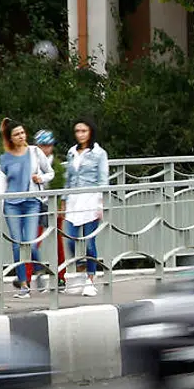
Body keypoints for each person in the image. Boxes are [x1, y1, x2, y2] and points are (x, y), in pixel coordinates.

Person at [0, 118, 53, 296]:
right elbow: (0, 185)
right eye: (16, 134)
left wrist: (41, 179)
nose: (21, 136)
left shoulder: (35, 152)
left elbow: (50, 172)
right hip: (12, 205)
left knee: (31, 244)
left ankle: (39, 270)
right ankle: (24, 286)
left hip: (32, 203)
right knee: (17, 245)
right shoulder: (5, 159)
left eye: (22, 132)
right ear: (10, 138)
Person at [63, 118, 108, 298]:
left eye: (84, 131)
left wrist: (100, 202)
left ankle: (90, 279)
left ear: (90, 132)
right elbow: (68, 178)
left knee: (89, 241)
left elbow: (103, 179)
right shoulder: (72, 152)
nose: (80, 134)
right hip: (74, 199)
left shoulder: (99, 153)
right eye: (77, 131)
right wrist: (64, 200)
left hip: (90, 198)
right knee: (70, 239)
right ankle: (80, 265)